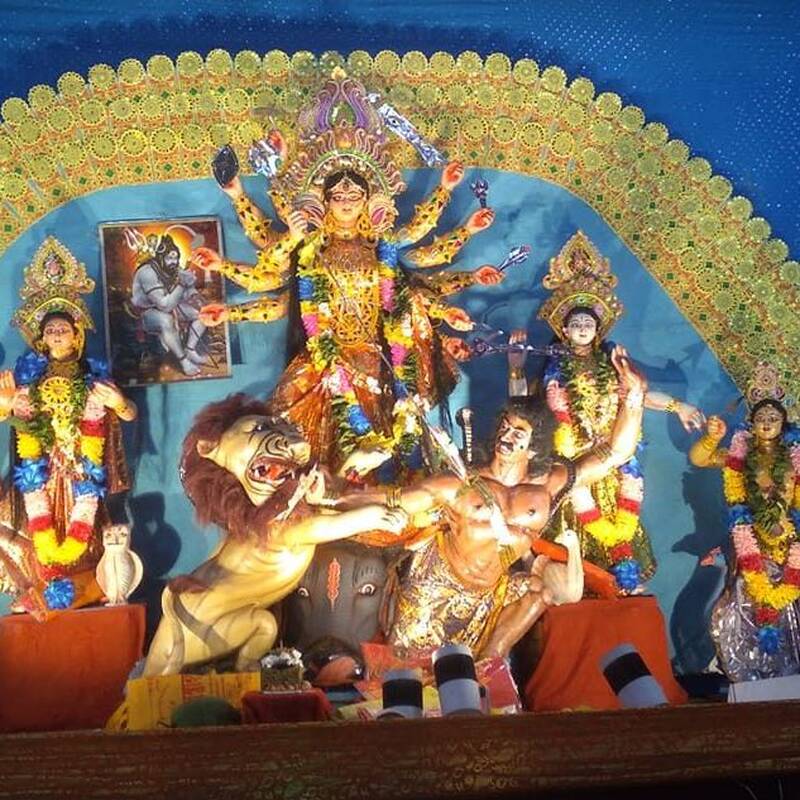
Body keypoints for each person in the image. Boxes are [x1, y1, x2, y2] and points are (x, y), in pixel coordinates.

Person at [192, 69, 504, 478]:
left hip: (379, 358)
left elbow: (419, 273)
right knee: (296, 426)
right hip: (325, 360)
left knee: (387, 438)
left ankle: (376, 495)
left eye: (354, 193)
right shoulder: (309, 248)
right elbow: (270, 275)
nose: (345, 200)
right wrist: (230, 298)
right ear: (322, 199)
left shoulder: (384, 248)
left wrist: (449, 201)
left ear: (369, 198)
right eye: (336, 194)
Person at [340, 345, 647, 656]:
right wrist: (338, 493)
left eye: (518, 433)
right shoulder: (462, 483)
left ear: (534, 447)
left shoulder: (547, 485)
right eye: (505, 428)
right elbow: (398, 499)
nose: (506, 437)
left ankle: (492, 661)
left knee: (537, 592)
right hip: (436, 586)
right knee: (409, 668)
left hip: (490, 593)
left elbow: (615, 454)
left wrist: (634, 398)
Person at [509, 231, 704, 592]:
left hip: (614, 460)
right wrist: (516, 369)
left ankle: (623, 584)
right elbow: (523, 408)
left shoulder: (613, 365)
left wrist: (678, 406)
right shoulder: (552, 372)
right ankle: (576, 588)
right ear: (564, 330)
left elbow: (638, 396)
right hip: (572, 464)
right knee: (573, 528)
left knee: (621, 523)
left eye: (588, 323)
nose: (583, 328)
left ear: (598, 329)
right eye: (576, 323)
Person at [0, 238, 136, 612]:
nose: (57, 333)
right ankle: (39, 590)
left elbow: (129, 414)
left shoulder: (93, 375)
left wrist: (118, 403)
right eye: (50, 330)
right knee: (33, 526)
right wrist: (7, 405)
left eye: (63, 327)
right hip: (41, 468)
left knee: (85, 528)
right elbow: (8, 413)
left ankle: (85, 588)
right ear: (41, 339)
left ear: (77, 335)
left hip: (81, 467)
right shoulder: (27, 377)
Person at [689, 363, 800, 681]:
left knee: (788, 613)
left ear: (784, 422)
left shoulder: (795, 457)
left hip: (787, 545)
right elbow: (698, 459)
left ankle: (788, 678)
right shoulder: (740, 456)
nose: (767, 423)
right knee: (743, 607)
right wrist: (712, 437)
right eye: (761, 417)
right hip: (749, 543)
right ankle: (748, 673)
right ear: (751, 422)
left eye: (773, 417)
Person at [129, 233, 208, 376]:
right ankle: (184, 361)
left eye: (175, 258)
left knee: (201, 315)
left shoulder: (174, 268)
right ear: (160, 258)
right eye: (169, 258)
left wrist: (194, 295)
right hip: (144, 313)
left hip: (169, 308)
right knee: (166, 320)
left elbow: (187, 290)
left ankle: (190, 350)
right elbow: (164, 305)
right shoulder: (147, 273)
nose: (174, 261)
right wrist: (182, 284)